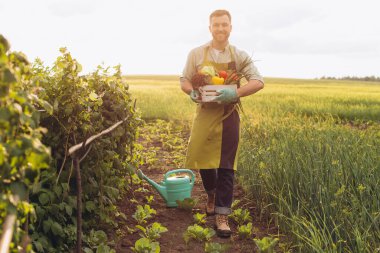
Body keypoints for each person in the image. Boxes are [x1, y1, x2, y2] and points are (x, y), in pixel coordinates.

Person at [180, 9, 264, 238]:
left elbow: (258, 81)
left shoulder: (239, 55)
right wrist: (192, 93)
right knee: (205, 161)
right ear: (210, 28)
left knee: (227, 165)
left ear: (230, 27)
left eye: (224, 25)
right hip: (205, 114)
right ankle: (211, 194)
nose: (220, 28)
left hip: (229, 116)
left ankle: (222, 216)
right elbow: (184, 80)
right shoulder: (196, 54)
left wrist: (234, 93)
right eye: (216, 25)